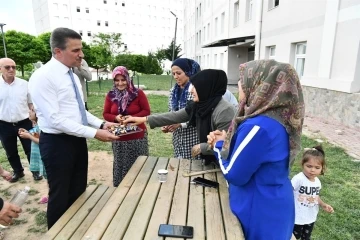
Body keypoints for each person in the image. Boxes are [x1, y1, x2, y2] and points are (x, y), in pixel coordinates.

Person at [29, 27, 119, 229]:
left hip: (76, 140)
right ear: (58, 51)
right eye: (76, 50)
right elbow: (55, 120)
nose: (82, 55)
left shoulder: (71, 75)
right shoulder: (43, 77)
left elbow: (79, 111)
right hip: (57, 144)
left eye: (81, 49)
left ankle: (75, 231)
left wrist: (102, 124)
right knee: (60, 195)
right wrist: (96, 133)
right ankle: (57, 233)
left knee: (78, 190)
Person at [207, 59, 305, 240]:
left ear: (260, 85)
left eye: (242, 83)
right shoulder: (278, 120)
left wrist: (218, 146)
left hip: (258, 210)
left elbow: (234, 173)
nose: (239, 88)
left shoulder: (259, 127)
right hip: (272, 204)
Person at [124, 69, 236, 165]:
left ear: (206, 88)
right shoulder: (201, 105)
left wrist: (202, 147)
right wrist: (144, 119)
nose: (191, 90)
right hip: (211, 161)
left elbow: (226, 145)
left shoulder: (224, 111)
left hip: (223, 164)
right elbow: (175, 116)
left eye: (195, 87)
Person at [103, 66, 150, 186]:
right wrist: (115, 118)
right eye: (117, 80)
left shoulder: (137, 93)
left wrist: (131, 117)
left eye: (123, 80)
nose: (120, 83)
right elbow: (106, 114)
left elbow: (146, 111)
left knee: (138, 165)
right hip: (119, 138)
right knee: (121, 165)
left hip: (137, 137)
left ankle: (140, 190)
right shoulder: (111, 95)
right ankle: (120, 191)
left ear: (128, 79)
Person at [0, 57, 43, 182]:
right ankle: (18, 172)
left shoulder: (24, 84)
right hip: (4, 124)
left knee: (31, 148)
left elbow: (31, 103)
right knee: (10, 150)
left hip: (24, 121)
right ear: (0, 69)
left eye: (13, 67)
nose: (11, 69)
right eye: (7, 67)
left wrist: (34, 116)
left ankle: (35, 171)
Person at [292, 146, 334, 240]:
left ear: (322, 168)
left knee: (306, 238)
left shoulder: (317, 182)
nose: (312, 170)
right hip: (297, 217)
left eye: (317, 167)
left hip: (310, 217)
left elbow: (315, 196)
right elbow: (288, 191)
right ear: (302, 164)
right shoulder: (298, 179)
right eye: (309, 166)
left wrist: (323, 205)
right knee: (294, 237)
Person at [163, 58, 201, 160]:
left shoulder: (195, 91)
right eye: (173, 73)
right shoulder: (173, 91)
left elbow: (198, 117)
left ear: (188, 72)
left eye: (179, 73)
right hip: (178, 141)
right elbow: (171, 113)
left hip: (193, 140)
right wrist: (167, 124)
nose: (175, 77)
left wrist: (180, 124)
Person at [18, 108, 49, 204]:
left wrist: (29, 136)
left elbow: (41, 141)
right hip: (42, 156)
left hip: (46, 154)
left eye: (32, 110)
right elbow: (36, 134)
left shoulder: (43, 126)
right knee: (48, 178)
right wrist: (27, 132)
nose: (29, 112)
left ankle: (53, 198)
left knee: (51, 178)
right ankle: (50, 195)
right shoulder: (37, 124)